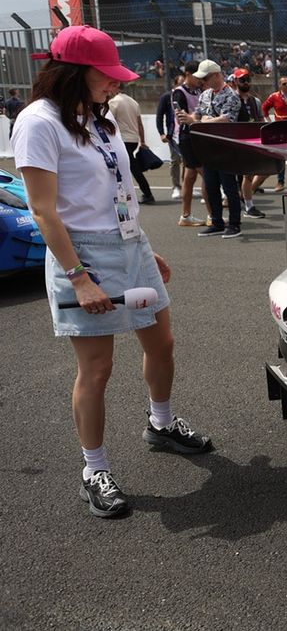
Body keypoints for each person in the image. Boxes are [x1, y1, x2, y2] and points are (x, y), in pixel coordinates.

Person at [12, 25, 212, 519]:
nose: (116, 85)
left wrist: (146, 245)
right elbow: (43, 210)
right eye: (107, 76)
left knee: (162, 343)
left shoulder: (95, 118)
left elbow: (114, 193)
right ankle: (93, 468)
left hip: (129, 245)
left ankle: (160, 425)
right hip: (80, 254)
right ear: (73, 72)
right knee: (97, 368)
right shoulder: (38, 122)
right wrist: (79, 277)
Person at [177, 60, 243, 238]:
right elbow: (198, 113)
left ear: (216, 75)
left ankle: (235, 224)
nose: (202, 81)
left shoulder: (231, 95)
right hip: (207, 147)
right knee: (211, 186)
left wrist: (198, 121)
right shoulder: (205, 94)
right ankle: (217, 222)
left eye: (205, 78)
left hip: (225, 147)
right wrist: (188, 117)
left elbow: (227, 119)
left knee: (229, 188)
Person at [171, 62, 207, 226]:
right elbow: (182, 117)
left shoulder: (200, 90)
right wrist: (198, 117)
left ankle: (185, 216)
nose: (199, 78)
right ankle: (213, 214)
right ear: (187, 74)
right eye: (196, 75)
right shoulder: (179, 93)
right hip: (187, 137)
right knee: (207, 174)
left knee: (189, 176)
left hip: (198, 136)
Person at [107, 85, 155, 205]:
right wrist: (142, 141)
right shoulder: (133, 102)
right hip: (133, 139)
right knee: (131, 167)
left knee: (129, 169)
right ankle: (143, 193)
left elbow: (108, 122)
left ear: (116, 88)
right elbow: (140, 124)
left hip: (122, 139)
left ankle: (145, 194)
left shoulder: (114, 102)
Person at [232, 69, 267, 220]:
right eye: (242, 80)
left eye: (248, 79)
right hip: (233, 142)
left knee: (252, 172)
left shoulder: (255, 101)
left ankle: (248, 204)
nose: (246, 82)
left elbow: (260, 120)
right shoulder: (231, 99)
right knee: (229, 176)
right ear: (235, 81)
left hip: (251, 143)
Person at [154, 81, 181, 199]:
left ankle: (187, 186)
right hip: (172, 134)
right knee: (175, 160)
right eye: (180, 84)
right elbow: (159, 115)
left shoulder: (189, 94)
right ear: (174, 84)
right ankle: (176, 186)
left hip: (187, 133)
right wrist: (161, 133)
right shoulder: (167, 97)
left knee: (189, 162)